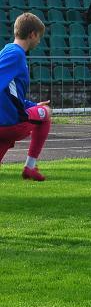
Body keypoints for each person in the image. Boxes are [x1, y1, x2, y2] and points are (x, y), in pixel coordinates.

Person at [0, 13, 52, 181]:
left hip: (5, 121)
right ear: (32, 34)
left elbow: (12, 94)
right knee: (46, 113)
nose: (39, 41)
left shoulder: (8, 50)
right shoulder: (16, 54)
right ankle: (30, 167)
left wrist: (33, 105)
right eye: (39, 37)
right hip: (11, 123)